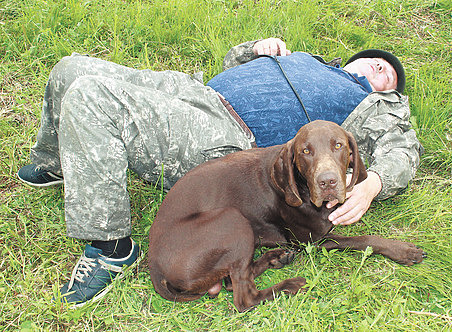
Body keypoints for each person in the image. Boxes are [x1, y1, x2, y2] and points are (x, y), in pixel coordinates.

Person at [17, 37, 422, 307]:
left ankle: (112, 249)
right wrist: (254, 48)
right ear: (352, 57)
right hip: (197, 92)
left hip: (229, 133)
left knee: (91, 97)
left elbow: (403, 149)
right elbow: (232, 63)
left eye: (386, 73)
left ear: (385, 91)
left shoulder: (375, 106)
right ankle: (60, 162)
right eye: (375, 59)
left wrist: (372, 185)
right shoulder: (307, 61)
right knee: (70, 68)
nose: (379, 66)